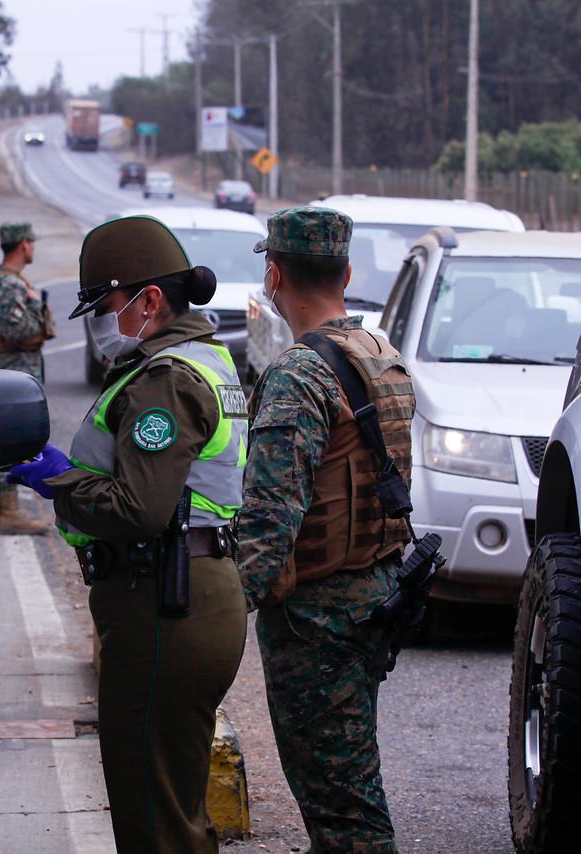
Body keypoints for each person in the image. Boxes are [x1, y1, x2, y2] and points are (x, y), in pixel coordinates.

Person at [8, 215, 248, 853]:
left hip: (166, 604)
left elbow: (139, 509)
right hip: (188, 594)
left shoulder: (166, 380)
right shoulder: (201, 360)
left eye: (109, 305)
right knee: (172, 808)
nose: (101, 320)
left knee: (154, 821)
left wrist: (59, 482)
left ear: (150, 300)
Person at [236, 207, 416, 853]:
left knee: (345, 813)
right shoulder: (381, 356)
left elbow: (269, 519)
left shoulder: (298, 374)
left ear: (273, 274)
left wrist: (218, 615)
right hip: (372, 598)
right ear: (346, 272)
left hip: (316, 623)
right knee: (342, 789)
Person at [0, 221, 55, 535]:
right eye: (31, 243)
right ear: (23, 244)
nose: (33, 247)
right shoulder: (11, 284)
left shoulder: (2, 279)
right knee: (11, 438)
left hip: (6, 369)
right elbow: (16, 330)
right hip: (12, 371)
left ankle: (1, 512)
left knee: (3, 437)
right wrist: (37, 303)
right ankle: (9, 512)